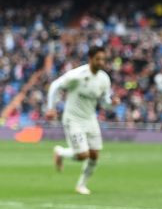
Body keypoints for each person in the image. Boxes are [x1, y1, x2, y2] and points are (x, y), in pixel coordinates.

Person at [45, 46, 116, 195]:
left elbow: (104, 103)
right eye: (98, 59)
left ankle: (81, 185)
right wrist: (51, 108)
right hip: (73, 119)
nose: (101, 62)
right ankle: (61, 152)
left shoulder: (104, 79)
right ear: (91, 59)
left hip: (90, 119)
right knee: (83, 155)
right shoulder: (77, 75)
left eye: (103, 59)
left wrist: (112, 103)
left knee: (95, 155)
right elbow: (55, 86)